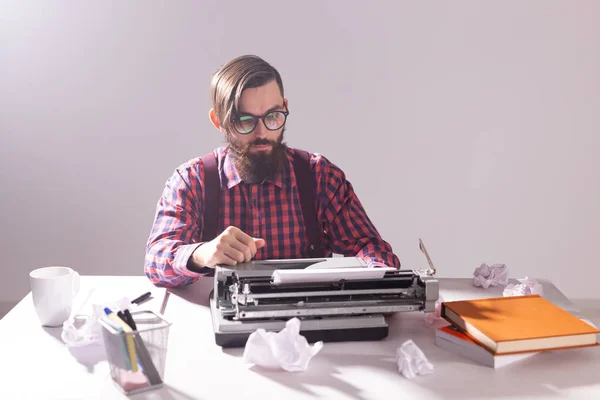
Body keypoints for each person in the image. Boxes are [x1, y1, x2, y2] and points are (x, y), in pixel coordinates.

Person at [144, 55, 400, 288]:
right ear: (218, 121)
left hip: (307, 325)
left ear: (285, 106)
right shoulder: (192, 181)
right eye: (245, 121)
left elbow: (371, 248)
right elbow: (156, 261)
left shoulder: (319, 177)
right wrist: (201, 254)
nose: (263, 133)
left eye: (273, 116)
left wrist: (380, 281)